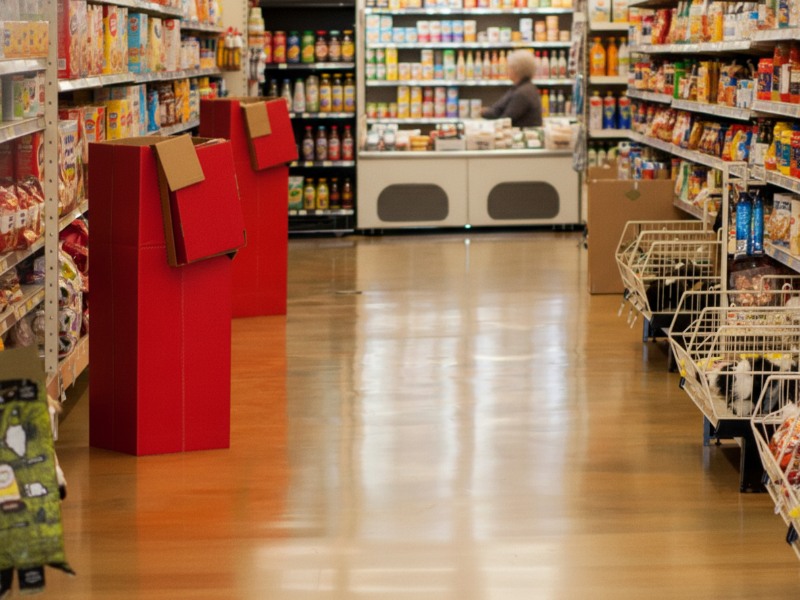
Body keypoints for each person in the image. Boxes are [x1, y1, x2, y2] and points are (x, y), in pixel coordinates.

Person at [480, 50, 543, 128]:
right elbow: (498, 110)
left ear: (517, 69)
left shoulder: (522, 93)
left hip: (521, 136)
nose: (507, 70)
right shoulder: (523, 87)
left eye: (509, 67)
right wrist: (483, 111)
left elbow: (506, 120)